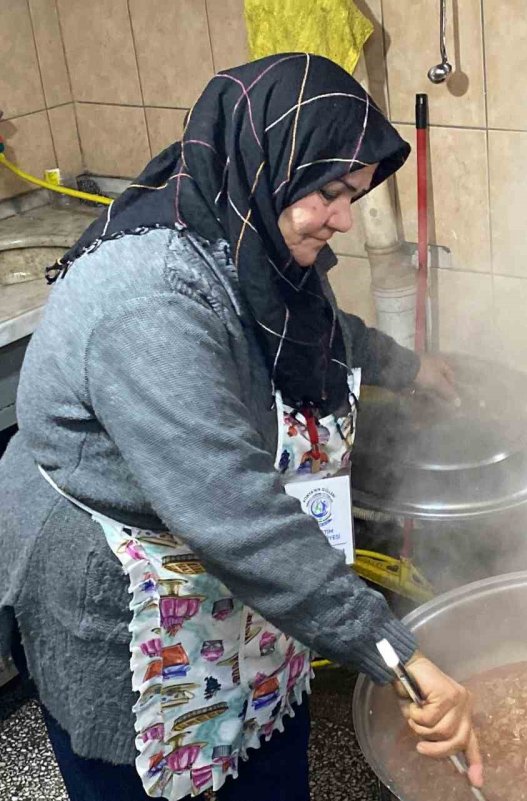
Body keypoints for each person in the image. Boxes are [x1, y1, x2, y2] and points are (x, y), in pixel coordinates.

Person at [0, 53, 482, 801]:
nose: (345, 219)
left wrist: (409, 367)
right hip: (123, 594)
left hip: (233, 580)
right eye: (330, 191)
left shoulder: (248, 229)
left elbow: (316, 327)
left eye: (354, 196)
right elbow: (236, 513)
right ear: (269, 160)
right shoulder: (151, 301)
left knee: (264, 766)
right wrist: (396, 652)